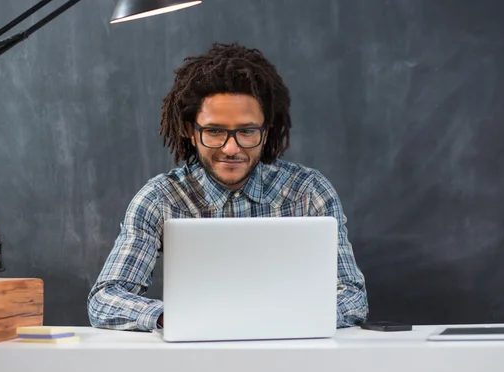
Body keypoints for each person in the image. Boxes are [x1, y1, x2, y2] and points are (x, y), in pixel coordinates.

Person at [87, 42, 368, 331]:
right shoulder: (160, 199)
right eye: (214, 131)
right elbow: (105, 300)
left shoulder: (309, 192)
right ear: (190, 132)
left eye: (246, 131)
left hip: (290, 358)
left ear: (266, 130)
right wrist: (176, 317)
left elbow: (352, 297)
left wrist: (284, 317)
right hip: (194, 361)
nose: (231, 148)